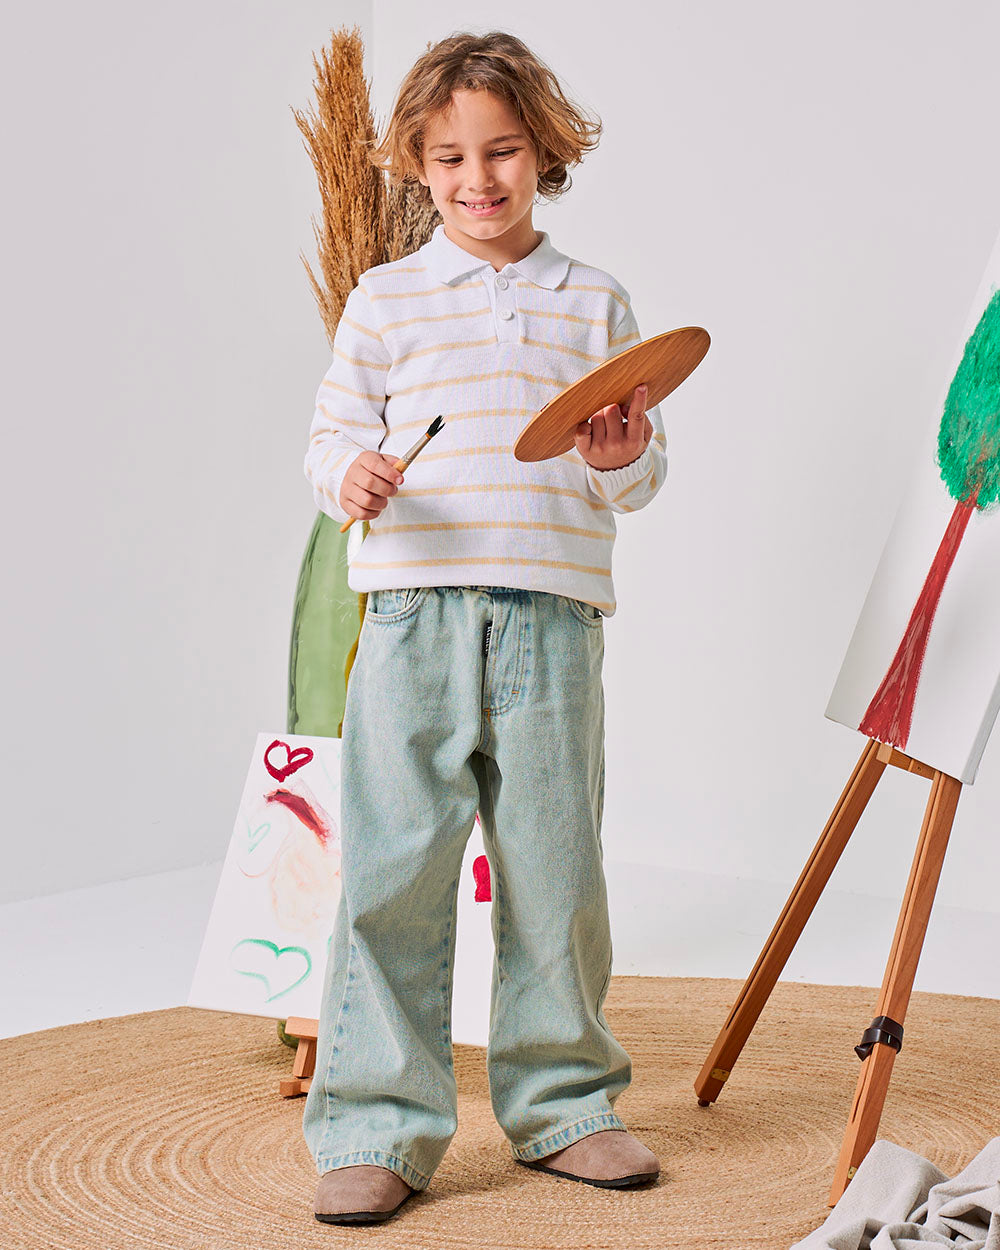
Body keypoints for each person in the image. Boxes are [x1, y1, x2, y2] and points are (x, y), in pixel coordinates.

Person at [301, 29, 668, 1226]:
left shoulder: (594, 299)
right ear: (416, 164)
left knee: (556, 871)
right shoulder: (385, 298)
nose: (478, 177)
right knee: (393, 872)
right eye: (450, 156)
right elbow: (328, 438)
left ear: (542, 150)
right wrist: (352, 472)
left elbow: (637, 473)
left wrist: (620, 456)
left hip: (553, 619)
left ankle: (566, 1103)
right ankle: (375, 1122)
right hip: (412, 617)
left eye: (501, 150)